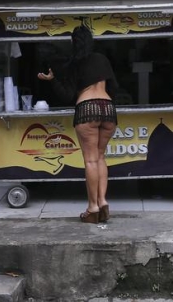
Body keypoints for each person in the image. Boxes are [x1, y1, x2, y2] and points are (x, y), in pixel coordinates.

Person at [37, 25, 118, 223]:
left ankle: (93, 208)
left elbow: (66, 95)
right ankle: (103, 200)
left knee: (90, 160)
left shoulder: (74, 63)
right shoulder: (102, 59)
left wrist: (52, 80)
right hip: (107, 107)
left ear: (74, 43)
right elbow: (115, 86)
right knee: (100, 157)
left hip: (87, 108)